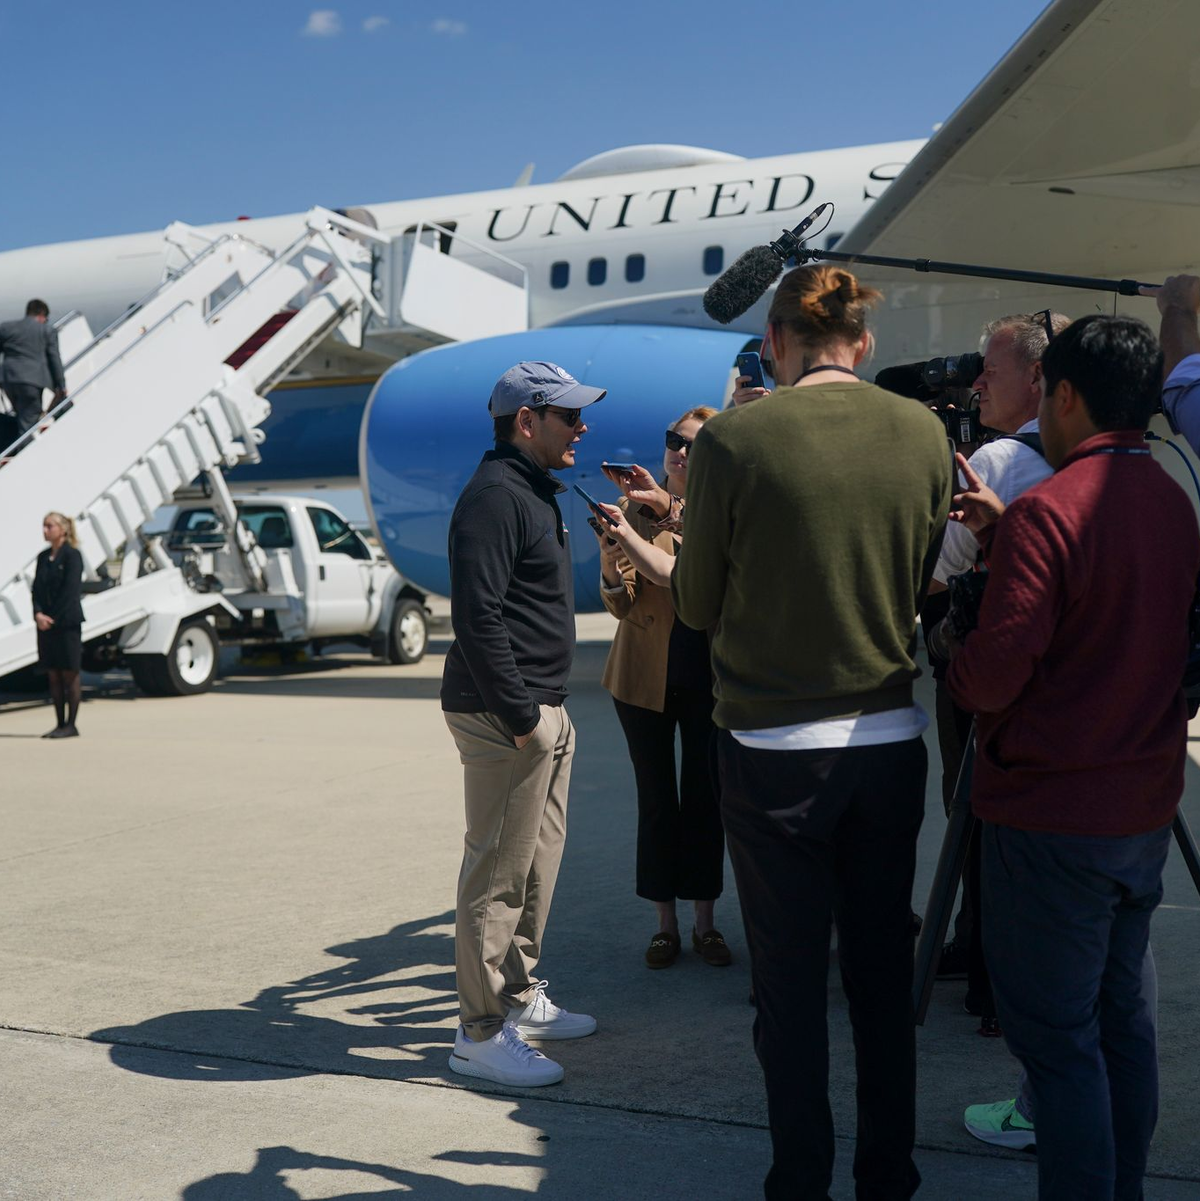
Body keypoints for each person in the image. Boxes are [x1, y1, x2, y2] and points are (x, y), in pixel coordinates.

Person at [671, 264, 951, 1200]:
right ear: (862, 343)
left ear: (777, 341)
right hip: (886, 741)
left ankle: (801, 1181)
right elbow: (920, 583)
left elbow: (699, 603)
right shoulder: (921, 430)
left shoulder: (737, 440)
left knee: (788, 994)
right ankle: (889, 1177)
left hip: (771, 752)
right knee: (879, 979)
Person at [946, 314, 1199, 1200]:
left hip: (1051, 820)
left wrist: (959, 643)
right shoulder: (1171, 499)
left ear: (1063, 395)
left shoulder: (1050, 512)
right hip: (1140, 813)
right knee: (1122, 1028)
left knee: (1057, 1045)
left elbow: (993, 675)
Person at [440, 361, 604, 1088]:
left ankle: (518, 995)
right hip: (504, 712)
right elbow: (476, 614)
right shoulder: (495, 496)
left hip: (543, 707)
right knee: (497, 873)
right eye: (569, 416)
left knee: (536, 865)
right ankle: (477, 1031)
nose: (582, 427)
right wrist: (520, 717)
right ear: (527, 421)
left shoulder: (536, 491)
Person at [926, 311, 1069, 1023]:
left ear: (1040, 379)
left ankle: (986, 966)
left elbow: (936, 574)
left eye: (992, 368)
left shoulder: (998, 463)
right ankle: (981, 952)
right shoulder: (1089, 464)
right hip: (1068, 696)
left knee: (975, 812)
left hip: (987, 675)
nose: (976, 381)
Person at [595, 406, 730, 970]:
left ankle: (706, 925)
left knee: (706, 800)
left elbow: (708, 559)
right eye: (674, 438)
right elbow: (623, 605)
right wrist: (608, 563)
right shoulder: (631, 510)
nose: (679, 450)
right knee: (657, 802)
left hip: (709, 677)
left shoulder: (721, 509)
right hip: (641, 679)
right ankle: (665, 927)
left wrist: (666, 513)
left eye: (695, 443)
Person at [32, 512, 85, 738]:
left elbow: (70, 591)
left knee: (69, 673)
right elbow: (36, 589)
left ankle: (71, 725)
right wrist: (38, 614)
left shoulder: (72, 556)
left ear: (63, 529)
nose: (45, 530)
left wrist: (53, 619)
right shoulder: (43, 557)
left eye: (49, 526)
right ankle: (59, 723)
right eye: (44, 526)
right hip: (46, 624)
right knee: (53, 674)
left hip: (66, 623)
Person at [0, 299, 67, 436]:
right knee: (28, 421)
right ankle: (24, 452)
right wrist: (61, 384)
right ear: (42, 315)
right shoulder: (46, 331)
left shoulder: (6, 328)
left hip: (8, 380)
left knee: (23, 415)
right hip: (31, 382)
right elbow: (54, 358)